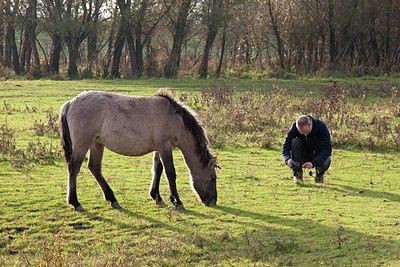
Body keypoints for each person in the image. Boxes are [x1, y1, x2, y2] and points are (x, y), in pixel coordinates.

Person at [282, 115, 332, 183]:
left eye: (306, 132)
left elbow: (327, 150)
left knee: (326, 160)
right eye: (302, 133)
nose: (305, 135)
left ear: (310, 124)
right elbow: (286, 146)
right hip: (303, 155)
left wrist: (313, 163)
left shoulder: (321, 127)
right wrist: (287, 159)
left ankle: (319, 176)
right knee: (295, 141)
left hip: (317, 156)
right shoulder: (294, 127)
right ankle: (298, 175)